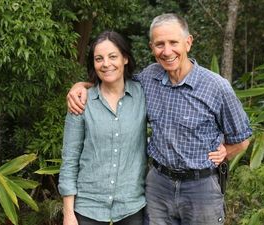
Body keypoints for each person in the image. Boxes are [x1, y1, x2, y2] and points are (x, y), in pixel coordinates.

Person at [67, 13, 252, 225]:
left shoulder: (216, 87)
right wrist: (81, 86)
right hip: (158, 185)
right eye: (159, 44)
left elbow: (243, 137)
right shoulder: (149, 78)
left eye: (173, 42)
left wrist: (226, 151)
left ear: (188, 43)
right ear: (151, 47)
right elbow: (113, 81)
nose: (167, 51)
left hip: (200, 186)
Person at [58, 31, 147, 225]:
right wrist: (68, 214)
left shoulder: (143, 94)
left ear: (125, 58)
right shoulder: (81, 101)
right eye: (99, 59)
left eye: (112, 56)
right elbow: (70, 159)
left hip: (131, 207)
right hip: (88, 208)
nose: (106, 64)